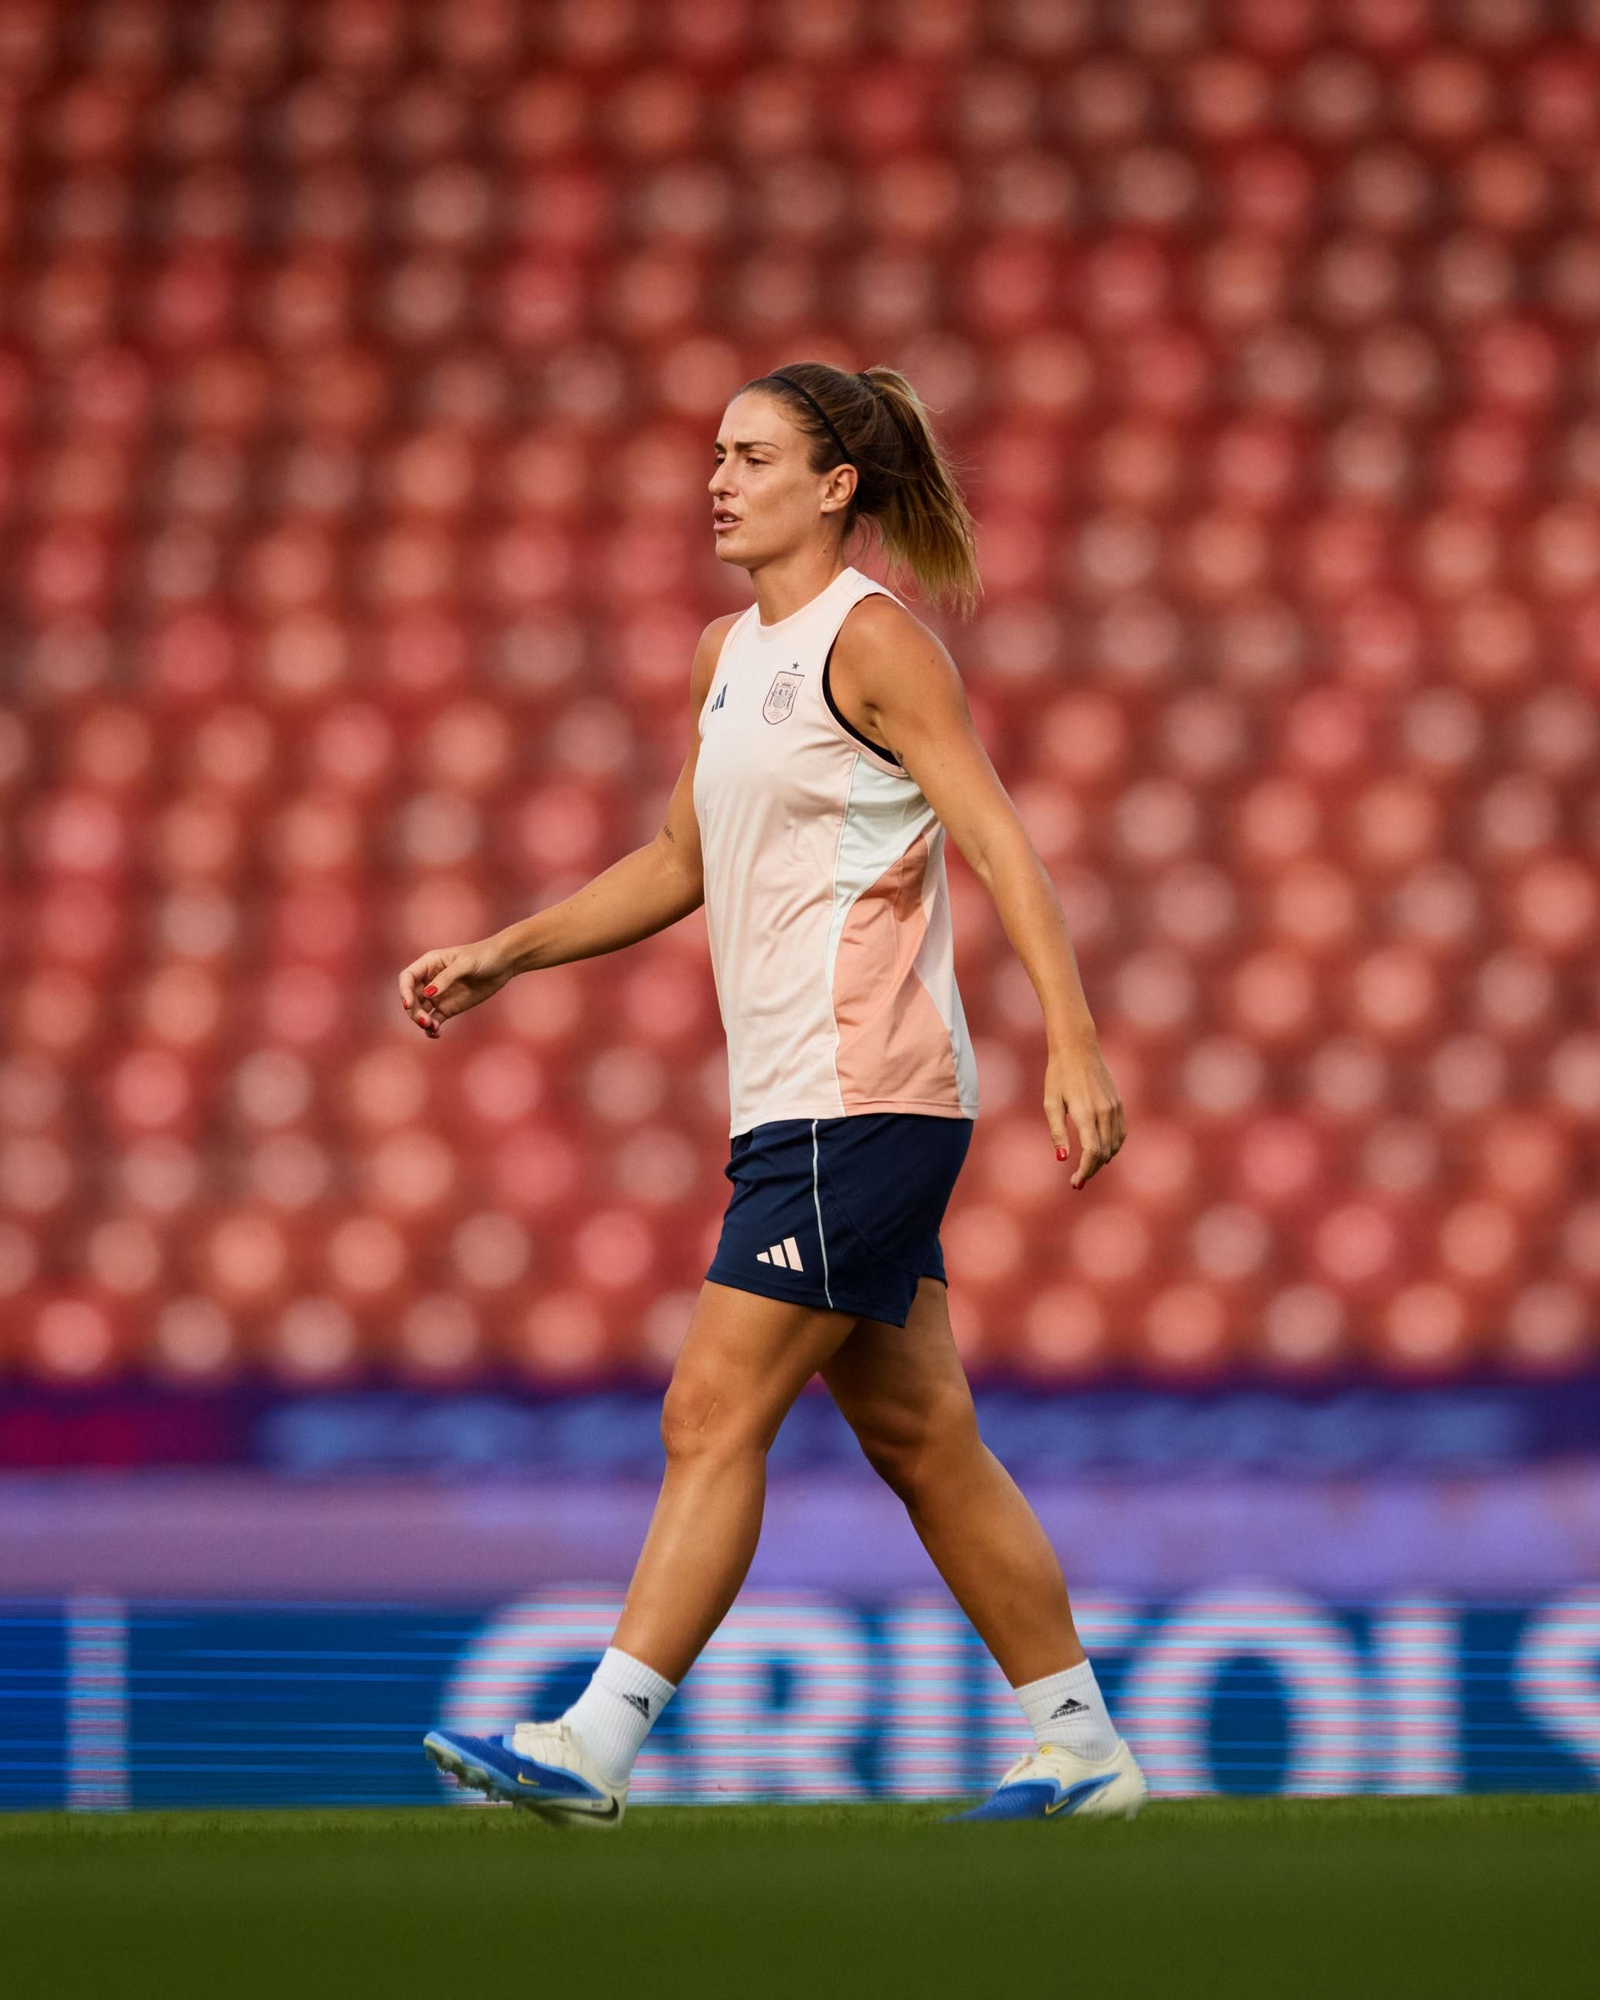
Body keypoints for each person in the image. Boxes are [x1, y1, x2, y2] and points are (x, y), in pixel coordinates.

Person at [403, 361, 1143, 1824]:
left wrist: (1074, 1039)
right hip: (801, 1104)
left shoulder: (876, 645)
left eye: (751, 456)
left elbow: (998, 839)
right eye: (716, 456)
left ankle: (596, 1743)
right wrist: (507, 952)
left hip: (860, 1095)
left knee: (708, 1410)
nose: (718, 481)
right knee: (922, 1438)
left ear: (834, 485)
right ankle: (1082, 1747)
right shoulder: (724, 655)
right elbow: (677, 861)